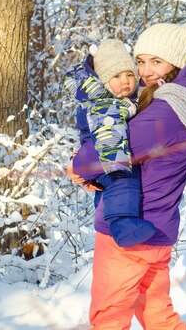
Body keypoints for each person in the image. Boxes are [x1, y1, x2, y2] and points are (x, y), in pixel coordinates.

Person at [68, 23, 186, 330]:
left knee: (109, 317)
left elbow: (102, 152)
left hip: (128, 232)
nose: (146, 71)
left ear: (177, 64)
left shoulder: (165, 112)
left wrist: (75, 165)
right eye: (140, 61)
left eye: (156, 62)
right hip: (158, 231)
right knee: (158, 316)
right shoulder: (185, 104)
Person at [64, 38, 156, 247]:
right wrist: (115, 166)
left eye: (130, 75)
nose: (125, 81)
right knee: (122, 181)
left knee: (117, 189)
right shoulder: (104, 104)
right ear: (104, 81)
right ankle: (121, 226)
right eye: (117, 76)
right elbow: (108, 136)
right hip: (105, 157)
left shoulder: (126, 99)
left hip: (106, 155)